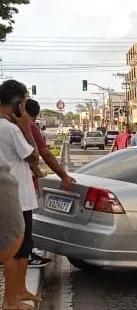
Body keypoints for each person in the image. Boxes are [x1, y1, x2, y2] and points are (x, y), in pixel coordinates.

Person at [0, 79, 41, 309]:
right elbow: (34, 157)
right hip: (18, 198)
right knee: (16, 252)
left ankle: (19, 291)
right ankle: (10, 300)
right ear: (17, 103)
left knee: (23, 250)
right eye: (24, 103)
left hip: (13, 195)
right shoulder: (11, 129)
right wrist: (27, 128)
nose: (25, 107)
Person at [25, 98, 76, 268]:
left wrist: (38, 173)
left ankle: (26, 251)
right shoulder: (28, 126)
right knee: (25, 218)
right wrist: (64, 176)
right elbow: (43, 153)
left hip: (14, 181)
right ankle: (27, 254)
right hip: (20, 184)